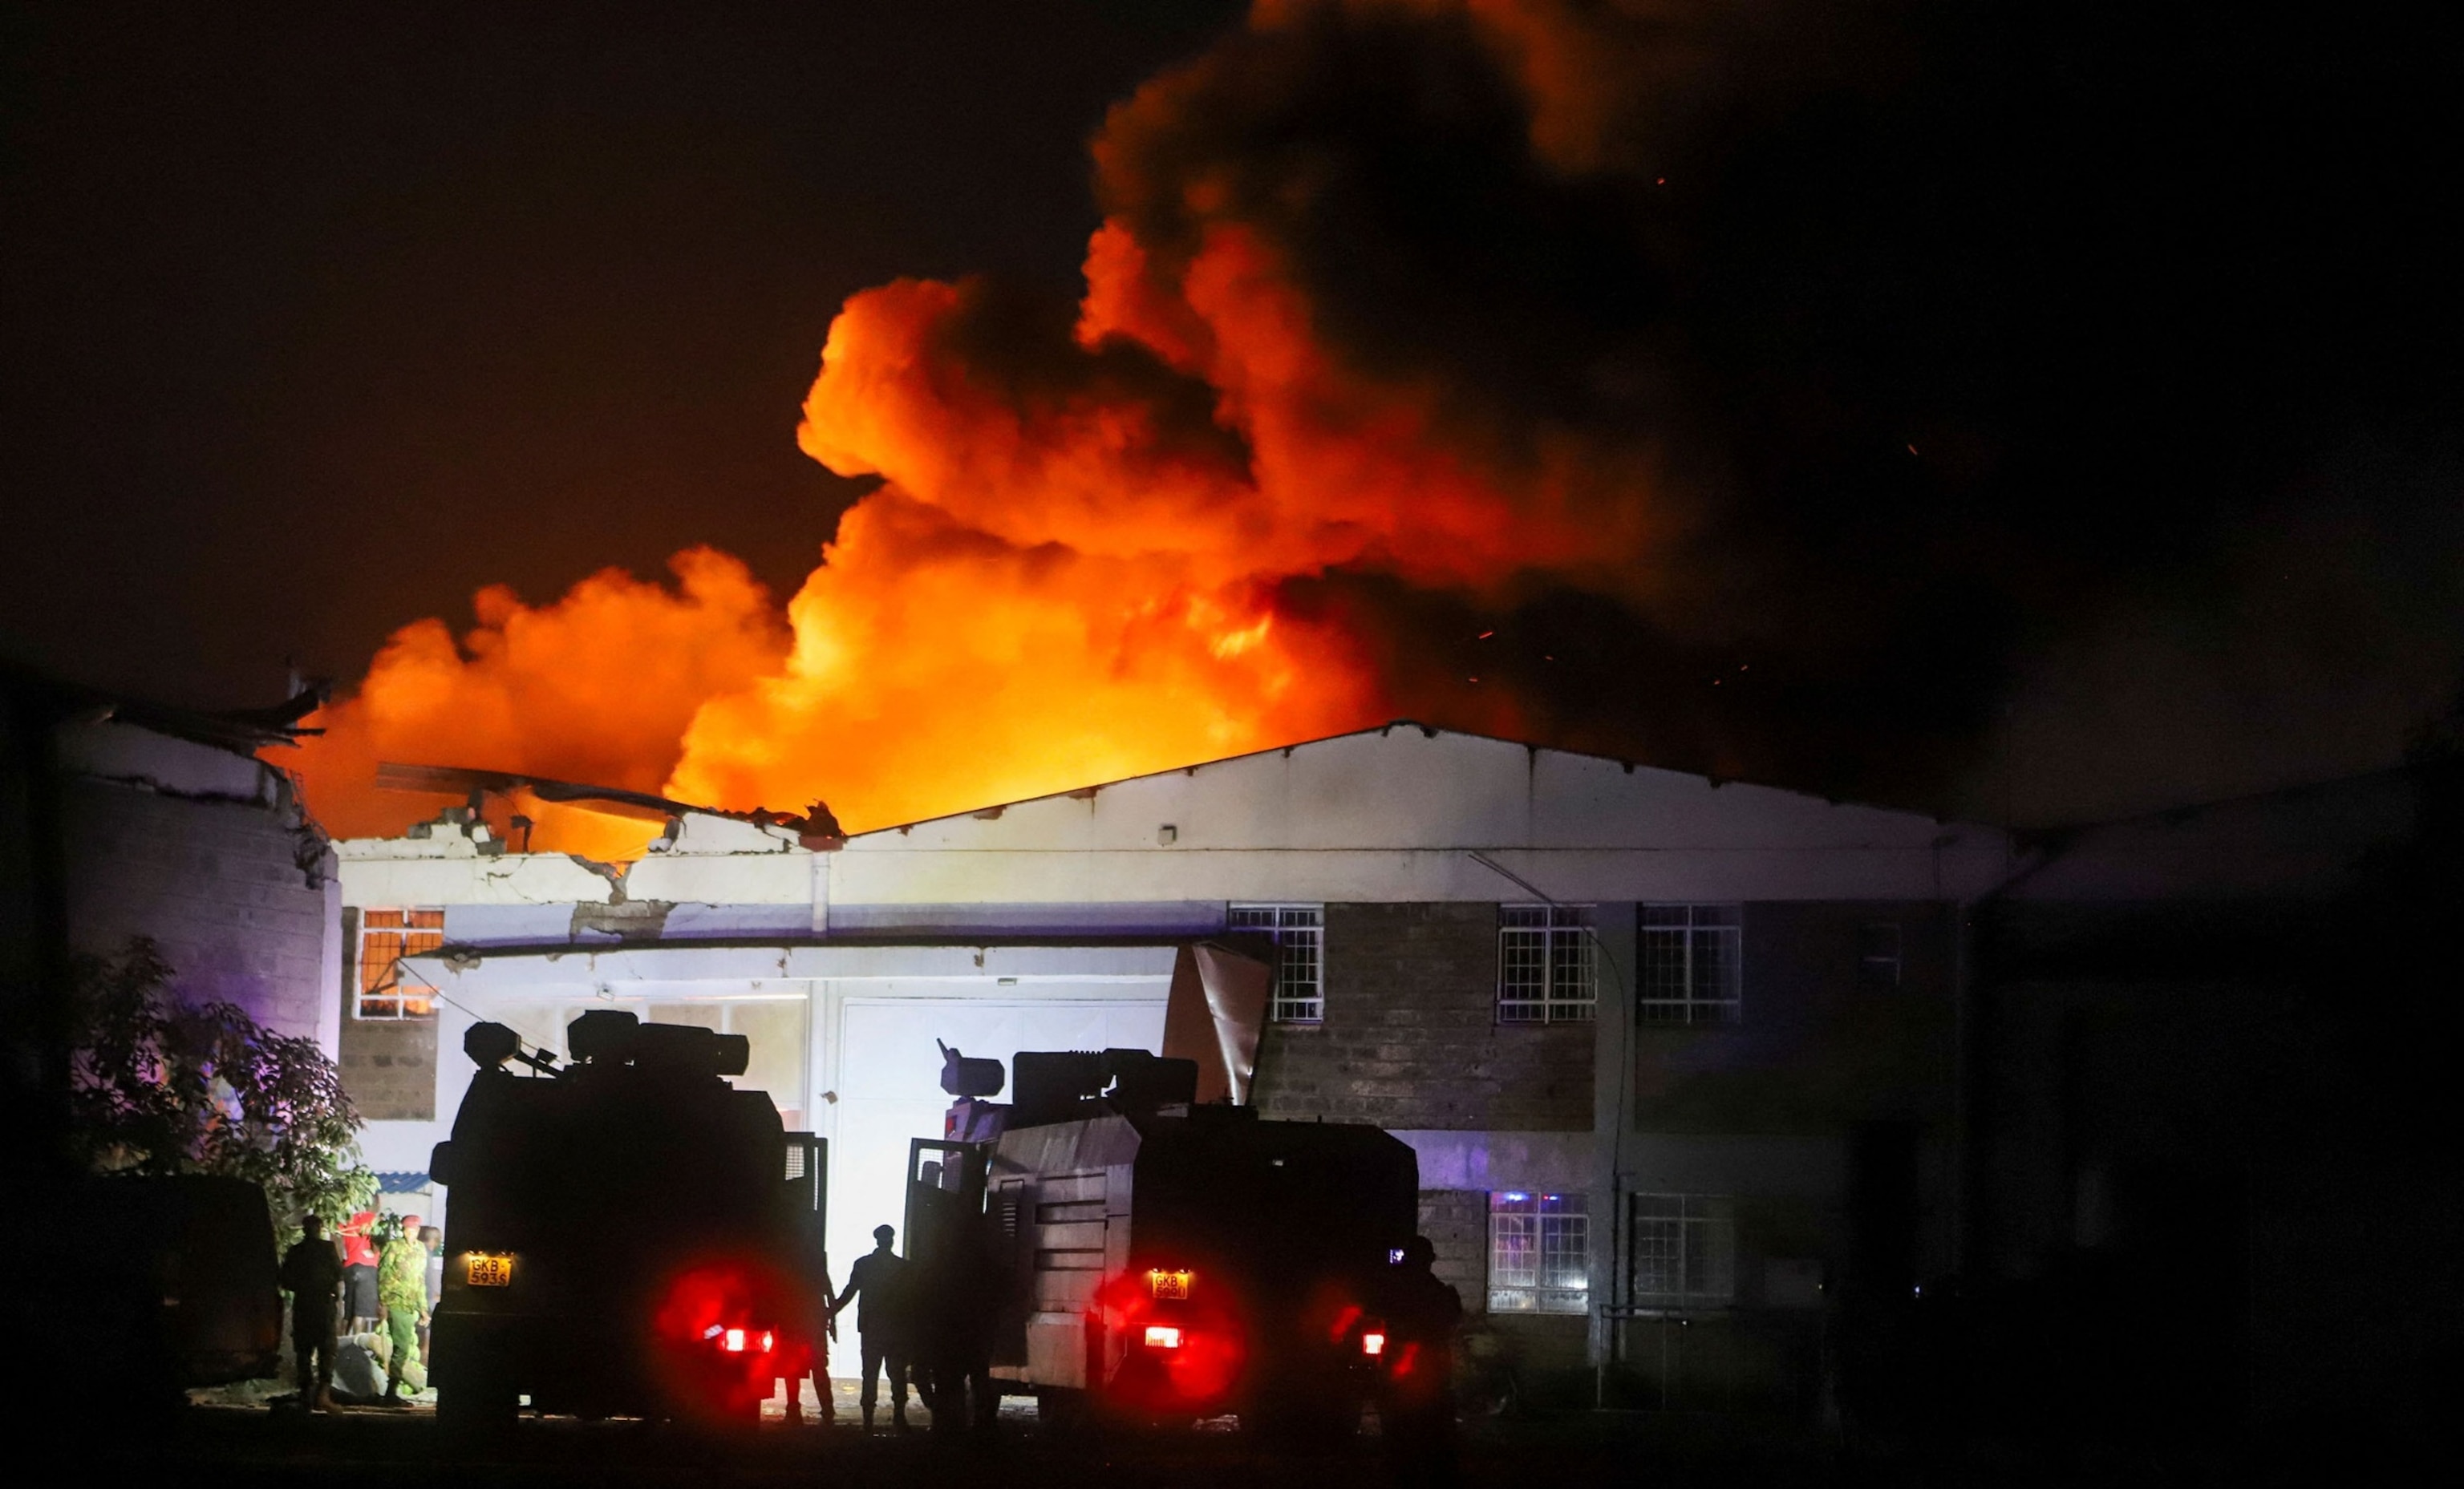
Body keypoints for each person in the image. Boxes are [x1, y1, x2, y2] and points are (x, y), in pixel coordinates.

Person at [1378, 1236, 1464, 1487]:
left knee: (1403, 1443)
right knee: (1432, 1442)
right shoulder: (1439, 1294)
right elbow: (1450, 1322)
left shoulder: (1396, 1293)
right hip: (1428, 1378)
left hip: (1409, 1379)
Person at [832, 1224, 913, 1431]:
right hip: (897, 1329)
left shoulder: (864, 1265)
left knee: (870, 1372)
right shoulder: (903, 1268)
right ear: (891, 1240)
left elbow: (850, 1292)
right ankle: (899, 1416)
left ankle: (868, 1420)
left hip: (871, 1328)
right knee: (896, 1373)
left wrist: (830, 1311)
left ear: (877, 1240)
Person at [277, 1215, 344, 1411]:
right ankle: (322, 1395)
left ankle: (307, 1395)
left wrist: (303, 1286)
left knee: (304, 1350)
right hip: (322, 1304)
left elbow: (284, 1279)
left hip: (304, 1304)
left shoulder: (296, 1251)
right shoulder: (327, 1249)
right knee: (326, 1349)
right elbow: (338, 1273)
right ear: (320, 1228)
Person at [376, 1214, 428, 1406]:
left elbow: (420, 1281)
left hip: (411, 1305)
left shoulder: (420, 1249)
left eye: (414, 1229)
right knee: (402, 1347)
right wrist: (383, 1304)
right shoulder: (394, 1247)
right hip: (396, 1302)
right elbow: (383, 1276)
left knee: (403, 1348)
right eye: (407, 1229)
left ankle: (392, 1391)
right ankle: (391, 1391)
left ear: (418, 1230)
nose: (410, 1233)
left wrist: (423, 1308)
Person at [339, 1209, 380, 1331]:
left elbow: (339, 1229)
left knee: (349, 1311)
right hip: (367, 1267)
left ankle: (342, 1343)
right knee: (360, 1312)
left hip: (350, 1267)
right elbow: (380, 1242)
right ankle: (358, 1343)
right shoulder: (374, 1220)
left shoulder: (348, 1219)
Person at [416, 1224, 442, 1362]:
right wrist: (434, 1295)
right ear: (433, 1240)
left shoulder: (420, 1251)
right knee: (430, 1322)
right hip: (426, 1295)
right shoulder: (426, 1254)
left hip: (422, 1293)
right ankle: (425, 1351)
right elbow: (430, 1278)